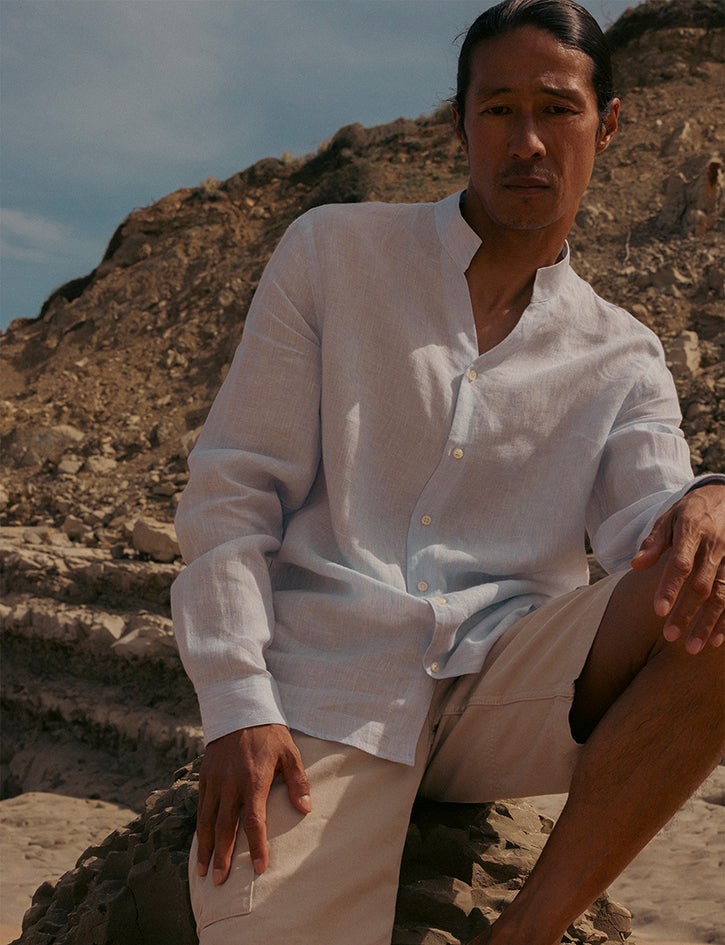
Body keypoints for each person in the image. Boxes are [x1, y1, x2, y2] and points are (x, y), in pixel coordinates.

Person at [171, 1, 725, 942]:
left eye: (556, 109)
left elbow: (652, 530)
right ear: (457, 125)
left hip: (507, 690)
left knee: (716, 586)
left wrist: (709, 496)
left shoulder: (622, 353)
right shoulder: (333, 252)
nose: (527, 141)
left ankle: (528, 929)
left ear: (606, 124)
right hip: (329, 686)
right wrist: (234, 704)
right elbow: (234, 489)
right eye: (498, 109)